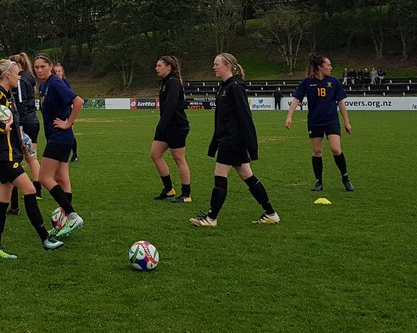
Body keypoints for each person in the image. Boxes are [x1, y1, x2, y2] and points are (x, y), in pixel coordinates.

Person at [0, 58, 64, 259]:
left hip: (10, 154)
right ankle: (45, 238)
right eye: (16, 73)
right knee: (30, 189)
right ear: (7, 75)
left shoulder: (8, 96)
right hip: (3, 157)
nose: (19, 76)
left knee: (3, 201)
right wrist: (0, 126)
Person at [190, 53, 280, 227]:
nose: (213, 67)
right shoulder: (224, 87)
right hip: (229, 140)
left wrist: (251, 146)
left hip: (233, 141)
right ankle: (271, 213)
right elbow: (221, 120)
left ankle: (211, 218)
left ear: (228, 66)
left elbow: (245, 117)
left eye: (216, 64)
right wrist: (214, 143)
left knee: (220, 175)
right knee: (248, 175)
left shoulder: (235, 87)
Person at [285, 54, 354, 192]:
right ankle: (319, 182)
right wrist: (289, 117)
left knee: (336, 149)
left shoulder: (334, 82)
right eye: (328, 65)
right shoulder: (307, 82)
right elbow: (296, 99)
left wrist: (347, 122)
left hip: (331, 121)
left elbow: (341, 102)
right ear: (319, 67)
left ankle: (345, 178)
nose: (331, 67)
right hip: (315, 121)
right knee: (317, 151)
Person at [33, 53, 84, 237]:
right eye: (36, 67)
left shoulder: (55, 82)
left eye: (42, 66)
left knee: (44, 177)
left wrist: (68, 123)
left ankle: (72, 215)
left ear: (50, 66)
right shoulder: (45, 85)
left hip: (60, 137)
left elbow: (78, 102)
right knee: (62, 180)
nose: (39, 70)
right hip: (58, 138)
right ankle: (65, 224)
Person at [151, 56, 192, 202]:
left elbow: (171, 106)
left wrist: (162, 125)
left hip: (176, 126)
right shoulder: (165, 82)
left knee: (179, 159)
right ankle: (168, 189)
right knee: (155, 154)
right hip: (166, 126)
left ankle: (186, 194)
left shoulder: (173, 82)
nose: (156, 68)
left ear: (169, 67)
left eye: (159, 65)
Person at [10, 52, 43, 196]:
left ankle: (12, 190)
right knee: (32, 157)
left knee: (18, 158)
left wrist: (20, 123)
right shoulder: (30, 77)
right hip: (33, 120)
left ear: (18, 65)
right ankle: (38, 190)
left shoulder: (20, 79)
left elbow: (21, 102)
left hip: (25, 122)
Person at [53, 62, 79, 162]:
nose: (57, 73)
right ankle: (61, 155)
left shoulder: (66, 83)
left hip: (67, 113)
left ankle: (74, 154)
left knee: (70, 134)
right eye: (55, 72)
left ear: (62, 72)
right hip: (57, 114)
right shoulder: (52, 83)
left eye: (59, 71)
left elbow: (72, 99)